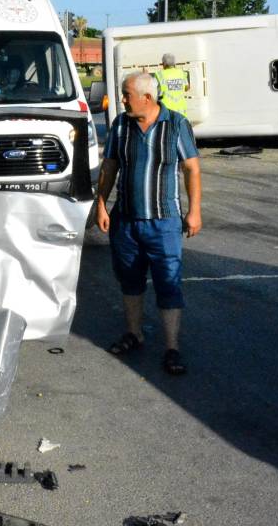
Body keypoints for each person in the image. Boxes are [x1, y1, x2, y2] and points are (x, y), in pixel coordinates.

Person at [97, 71, 202, 375]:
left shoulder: (176, 124)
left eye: (126, 94)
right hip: (126, 222)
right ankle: (134, 333)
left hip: (164, 222)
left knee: (168, 284)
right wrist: (101, 205)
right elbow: (110, 166)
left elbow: (191, 169)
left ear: (146, 97)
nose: (122, 99)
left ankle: (172, 348)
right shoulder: (121, 125)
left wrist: (194, 211)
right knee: (129, 279)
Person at [153, 53, 190, 117]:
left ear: (164, 64)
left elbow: (152, 90)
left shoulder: (160, 75)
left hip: (167, 110)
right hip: (181, 110)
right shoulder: (181, 73)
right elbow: (187, 88)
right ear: (174, 63)